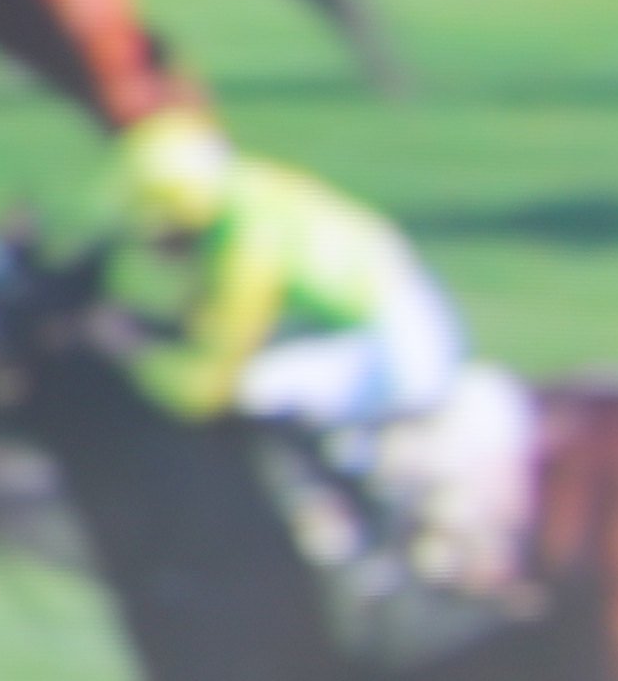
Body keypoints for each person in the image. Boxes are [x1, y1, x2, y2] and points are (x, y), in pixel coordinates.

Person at [85, 107, 527, 623]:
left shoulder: (246, 243)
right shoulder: (243, 194)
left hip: (400, 348)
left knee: (259, 388)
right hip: (386, 320)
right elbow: (208, 324)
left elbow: (208, 386)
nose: (156, 250)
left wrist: (129, 358)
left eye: (156, 235)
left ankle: (346, 533)